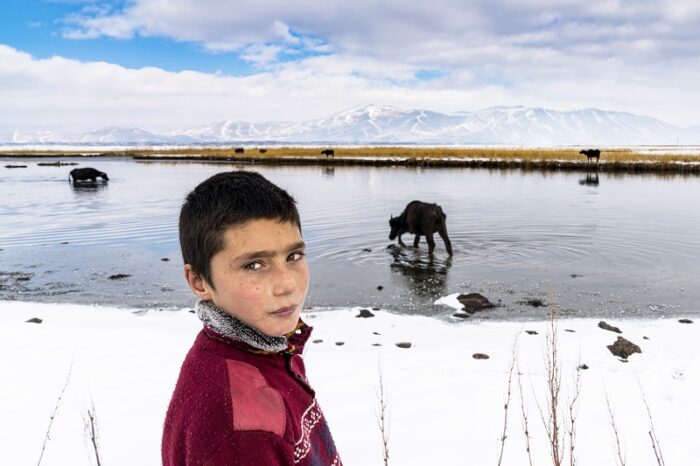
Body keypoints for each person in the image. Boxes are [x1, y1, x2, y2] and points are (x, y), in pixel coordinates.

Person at [162, 170, 342, 466]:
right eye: (254, 265)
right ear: (198, 281)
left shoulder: (265, 349)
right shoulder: (244, 430)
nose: (287, 285)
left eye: (293, 257)